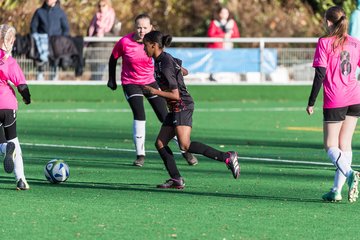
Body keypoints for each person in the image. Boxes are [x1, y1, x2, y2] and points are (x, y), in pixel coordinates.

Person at [142, 31, 240, 189]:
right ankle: (176, 179)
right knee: (160, 143)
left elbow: (175, 95)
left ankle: (227, 156)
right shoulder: (164, 59)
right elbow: (184, 71)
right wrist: (178, 72)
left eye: (145, 45)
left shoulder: (165, 63)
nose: (143, 49)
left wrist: (154, 91)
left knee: (185, 145)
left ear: (154, 45)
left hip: (182, 105)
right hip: (175, 107)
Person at [107, 13, 197, 167]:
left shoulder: (154, 43)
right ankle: (140, 155)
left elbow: (168, 62)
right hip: (131, 82)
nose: (141, 30)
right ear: (134, 27)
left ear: (151, 28)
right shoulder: (125, 42)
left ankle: (185, 151)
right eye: (138, 27)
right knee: (139, 114)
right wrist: (111, 79)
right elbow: (113, 58)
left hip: (151, 82)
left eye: (144, 27)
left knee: (166, 117)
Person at [306, 6, 360, 203]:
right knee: (344, 144)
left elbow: (320, 74)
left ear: (329, 22)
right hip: (355, 97)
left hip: (336, 98)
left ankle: (351, 174)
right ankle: (335, 190)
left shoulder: (324, 42)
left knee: (330, 144)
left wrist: (311, 102)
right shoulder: (355, 43)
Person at [0, 24, 32, 190]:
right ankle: (21, 179)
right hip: (7, 104)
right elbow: (22, 85)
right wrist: (27, 99)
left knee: (1, 142)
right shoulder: (10, 62)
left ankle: (6, 148)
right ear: (10, 41)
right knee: (13, 139)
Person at [30, 0, 70, 80]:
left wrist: (62, 39)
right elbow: (33, 27)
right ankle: (40, 75)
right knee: (40, 59)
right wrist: (37, 38)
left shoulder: (60, 12)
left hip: (56, 41)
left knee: (55, 59)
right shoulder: (39, 12)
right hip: (42, 42)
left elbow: (66, 28)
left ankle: (54, 75)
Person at [87, 0, 119, 80]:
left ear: (108, 5)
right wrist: (95, 36)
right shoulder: (95, 18)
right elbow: (89, 33)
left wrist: (103, 35)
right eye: (99, 6)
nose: (101, 8)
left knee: (101, 77)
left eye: (103, 5)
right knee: (95, 78)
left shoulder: (114, 19)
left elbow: (115, 35)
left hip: (106, 53)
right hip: (94, 53)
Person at [349, 0, 360, 79]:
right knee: (353, 75)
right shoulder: (356, 14)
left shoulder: (355, 14)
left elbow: (352, 34)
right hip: (356, 49)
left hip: (355, 48)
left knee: (352, 76)